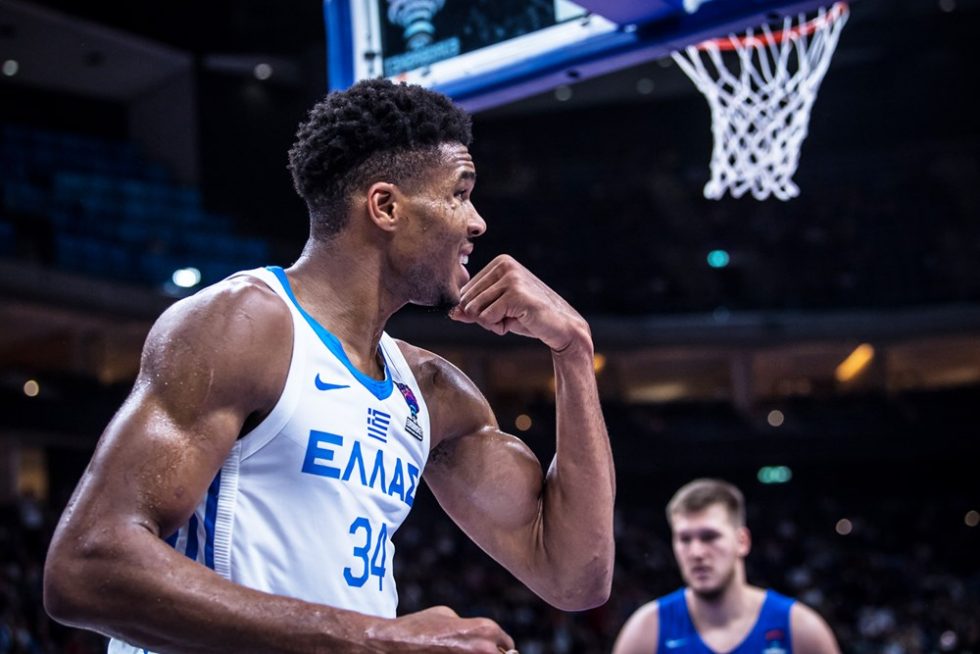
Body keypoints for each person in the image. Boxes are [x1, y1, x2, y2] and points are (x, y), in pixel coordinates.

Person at [43, 79, 615, 653]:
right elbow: (85, 566)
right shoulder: (244, 324)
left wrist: (572, 351)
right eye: (459, 194)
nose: (476, 222)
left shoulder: (431, 390)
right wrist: (375, 640)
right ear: (385, 207)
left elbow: (575, 576)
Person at [612, 479, 839, 654]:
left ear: (742, 541)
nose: (696, 552)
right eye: (685, 539)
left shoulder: (800, 630)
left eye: (709, 537)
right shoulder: (646, 632)